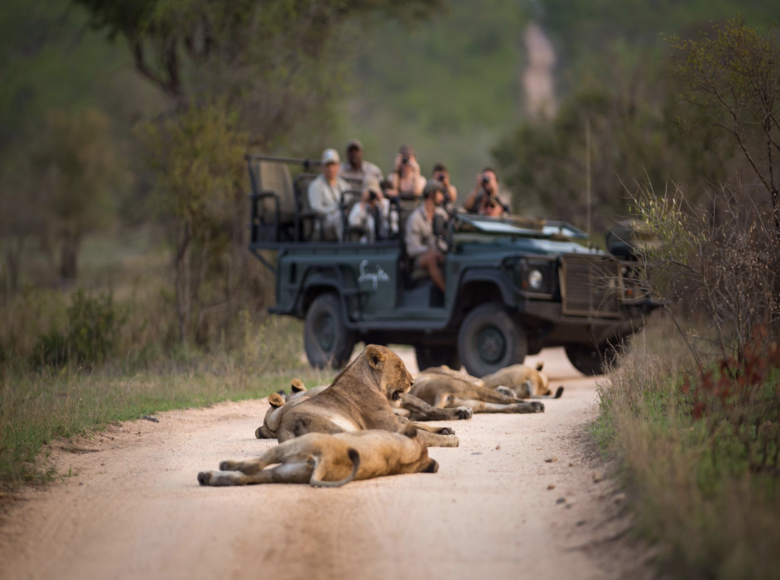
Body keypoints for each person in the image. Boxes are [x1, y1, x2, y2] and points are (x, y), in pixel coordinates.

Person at [404, 179, 448, 292]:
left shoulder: (441, 214)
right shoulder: (415, 218)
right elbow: (412, 249)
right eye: (440, 193)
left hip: (439, 253)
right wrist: (430, 250)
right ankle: (447, 292)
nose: (442, 197)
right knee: (431, 259)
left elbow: (446, 237)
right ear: (432, 194)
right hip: (421, 258)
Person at [308, 148, 350, 241]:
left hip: (342, 214)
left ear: (338, 166)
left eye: (333, 165)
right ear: (322, 167)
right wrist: (333, 210)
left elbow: (349, 201)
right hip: (325, 220)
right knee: (340, 216)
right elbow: (316, 208)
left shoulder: (343, 184)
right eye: (327, 165)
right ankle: (346, 247)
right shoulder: (316, 185)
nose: (331, 168)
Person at [348, 177, 390, 243]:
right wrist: (363, 204)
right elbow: (353, 222)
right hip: (368, 239)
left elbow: (391, 219)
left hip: (386, 239)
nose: (372, 195)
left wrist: (380, 201)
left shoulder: (385, 203)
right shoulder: (359, 206)